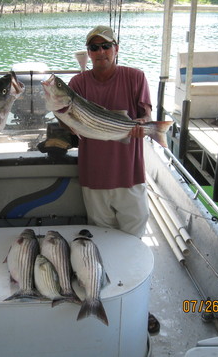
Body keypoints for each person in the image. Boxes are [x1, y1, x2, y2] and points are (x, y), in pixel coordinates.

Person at [67, 25, 160, 335]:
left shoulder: (135, 77)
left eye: (105, 46)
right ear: (88, 53)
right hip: (93, 178)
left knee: (134, 245)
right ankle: (107, 299)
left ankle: (140, 303)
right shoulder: (77, 84)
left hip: (130, 175)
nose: (100, 53)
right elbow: (69, 123)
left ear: (116, 48)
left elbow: (146, 115)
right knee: (102, 245)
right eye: (94, 48)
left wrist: (142, 125)